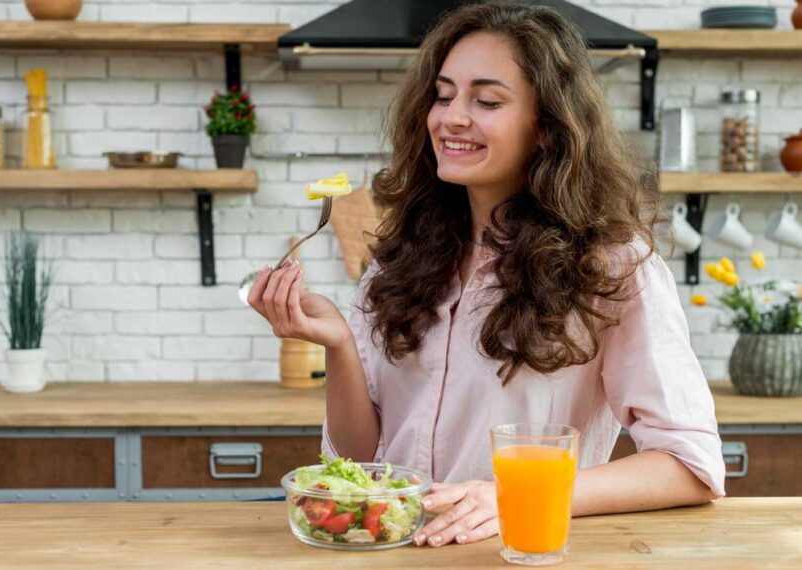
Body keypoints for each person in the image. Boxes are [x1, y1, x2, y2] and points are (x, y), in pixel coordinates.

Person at [248, 1, 724, 549]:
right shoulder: (400, 253)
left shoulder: (611, 265)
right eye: (444, 94)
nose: (450, 117)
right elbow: (363, 463)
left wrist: (515, 494)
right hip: (392, 554)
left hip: (514, 552)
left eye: (487, 100)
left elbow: (691, 465)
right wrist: (337, 343)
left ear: (548, 127)